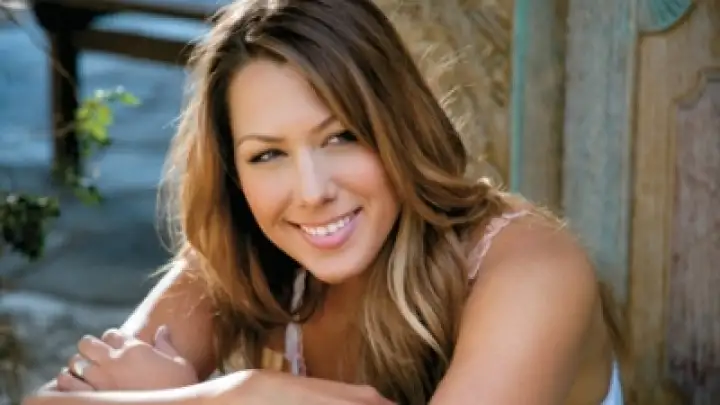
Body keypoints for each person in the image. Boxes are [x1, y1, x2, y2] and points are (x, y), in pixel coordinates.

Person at [22, 0, 626, 404]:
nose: (312, 192)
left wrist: (235, 395)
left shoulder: (533, 270)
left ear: (397, 126)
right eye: (267, 154)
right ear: (234, 174)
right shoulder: (244, 252)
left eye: (341, 137)